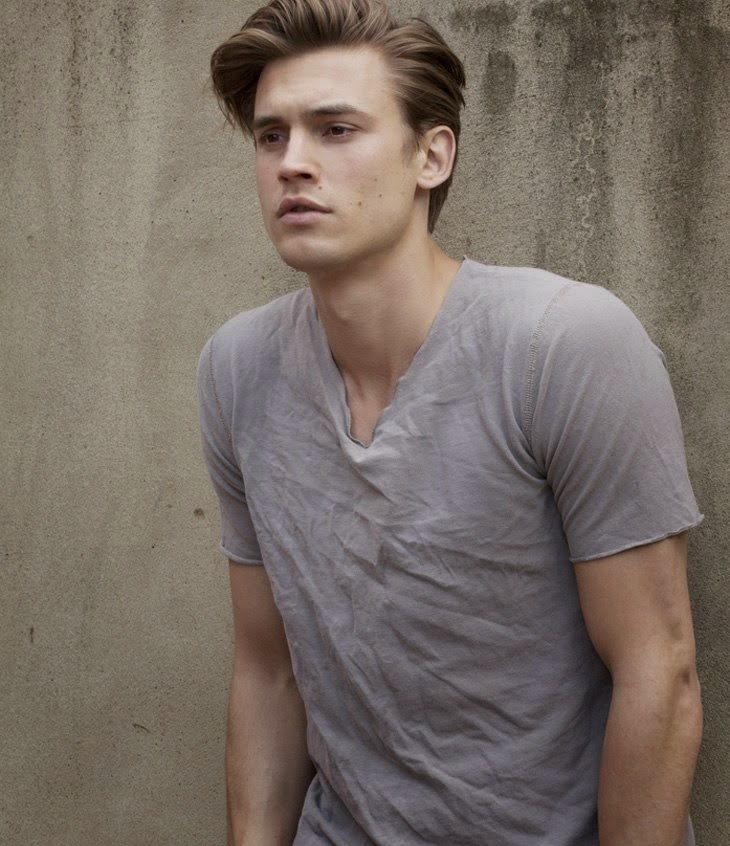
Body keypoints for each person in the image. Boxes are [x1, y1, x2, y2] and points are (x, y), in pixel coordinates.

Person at [198, 1, 704, 844]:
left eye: (335, 129)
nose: (293, 163)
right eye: (271, 136)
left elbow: (659, 670)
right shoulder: (236, 369)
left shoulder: (561, 344)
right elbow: (267, 670)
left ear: (431, 155)